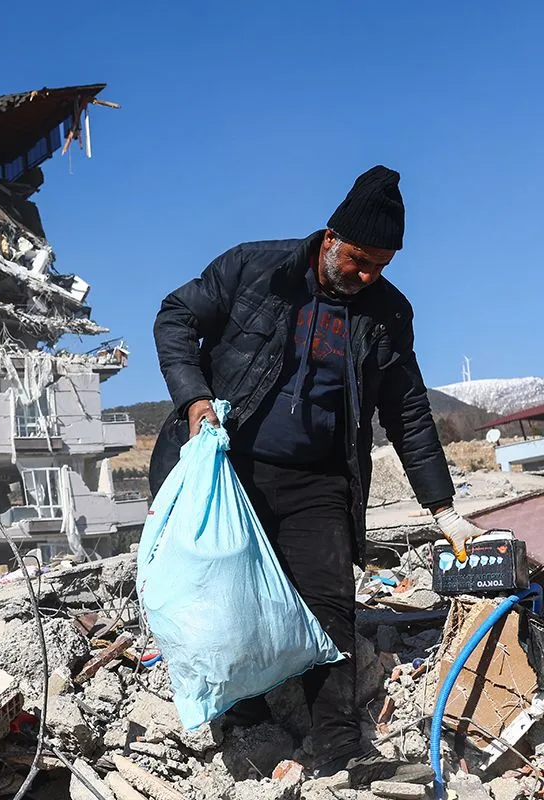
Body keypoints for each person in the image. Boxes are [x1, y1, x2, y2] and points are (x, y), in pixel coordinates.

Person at [150, 165, 484, 784]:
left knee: (330, 605)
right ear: (331, 238)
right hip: (231, 469)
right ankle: (247, 726)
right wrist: (194, 399)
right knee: (227, 600)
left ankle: (341, 750)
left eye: (380, 266)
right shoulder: (253, 268)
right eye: (359, 260)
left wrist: (443, 509)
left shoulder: (387, 313)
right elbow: (175, 317)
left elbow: (408, 411)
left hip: (320, 480)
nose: (367, 276)